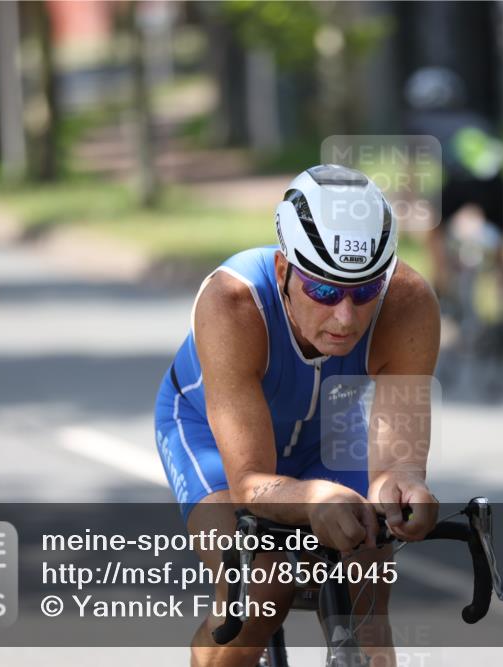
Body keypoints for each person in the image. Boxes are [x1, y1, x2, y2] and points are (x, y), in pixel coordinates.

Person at [154, 164, 441, 667]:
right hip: (208, 435)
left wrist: (404, 492)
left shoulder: (409, 303)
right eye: (325, 292)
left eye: (364, 292)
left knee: (368, 588)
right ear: (284, 271)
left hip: (321, 435)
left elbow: (397, 464)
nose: (345, 317)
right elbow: (249, 484)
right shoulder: (233, 302)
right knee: (263, 586)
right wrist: (312, 497)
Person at [403, 66, 503, 323]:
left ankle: (444, 290)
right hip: (496, 183)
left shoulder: (418, 123)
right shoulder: (477, 120)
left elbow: (410, 174)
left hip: (460, 182)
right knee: (500, 250)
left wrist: (407, 207)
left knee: (434, 229)